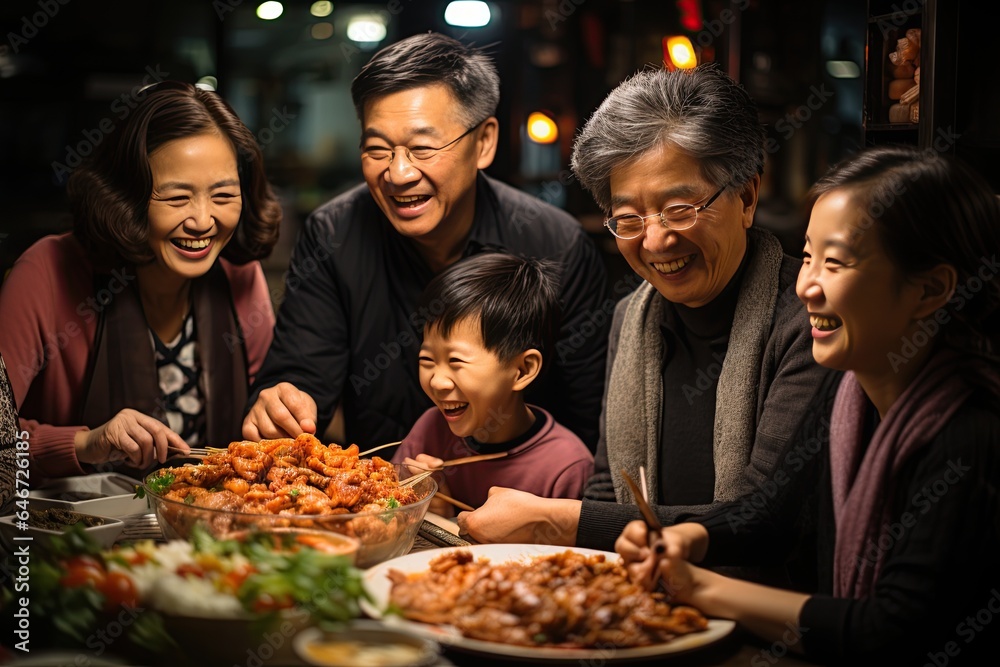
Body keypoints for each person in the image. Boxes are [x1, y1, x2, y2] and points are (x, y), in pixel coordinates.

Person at [616, 145, 1000, 665]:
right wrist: (688, 537)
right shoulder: (846, 392)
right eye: (808, 256)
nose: (805, 287)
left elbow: (891, 631)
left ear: (930, 289)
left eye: (835, 263)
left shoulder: (971, 438)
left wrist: (700, 589)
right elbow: (772, 513)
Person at [457, 64, 830, 554]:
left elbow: (766, 517)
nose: (655, 240)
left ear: (746, 196)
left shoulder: (809, 321)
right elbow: (608, 487)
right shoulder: (630, 318)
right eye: (628, 218)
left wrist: (556, 518)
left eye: (680, 210)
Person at [243, 32, 611, 453]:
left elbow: (592, 421)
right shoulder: (335, 234)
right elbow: (302, 371)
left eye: (422, 148)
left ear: (484, 142)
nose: (398, 174)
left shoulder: (556, 245)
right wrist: (283, 404)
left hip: (523, 502)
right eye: (377, 149)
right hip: (383, 500)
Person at [0, 81, 281, 479]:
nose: (203, 222)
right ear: (124, 196)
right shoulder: (46, 271)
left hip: (208, 529)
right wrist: (87, 443)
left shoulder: (239, 273)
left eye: (222, 196)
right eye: (176, 197)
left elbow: (267, 411)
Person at [390, 252, 594, 517]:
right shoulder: (430, 430)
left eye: (456, 361)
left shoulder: (567, 466)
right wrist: (433, 508)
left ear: (522, 370)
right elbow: (387, 513)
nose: (437, 381)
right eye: (427, 358)